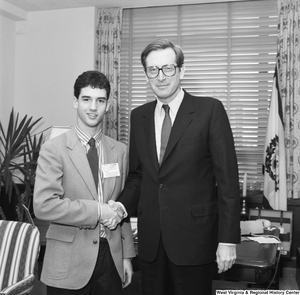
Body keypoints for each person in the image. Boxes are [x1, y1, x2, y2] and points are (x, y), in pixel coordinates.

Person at [109, 39, 241, 295]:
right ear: (146, 74)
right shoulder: (139, 116)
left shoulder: (209, 110)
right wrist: (119, 206)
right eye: (153, 70)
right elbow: (138, 176)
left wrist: (227, 240)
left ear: (181, 70)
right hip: (151, 242)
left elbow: (228, 181)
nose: (160, 76)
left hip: (195, 240)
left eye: (167, 68)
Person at [33, 70, 135, 295]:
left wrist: (127, 256)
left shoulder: (120, 151)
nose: (93, 107)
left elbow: (121, 206)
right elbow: (44, 205)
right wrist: (99, 211)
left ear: (108, 105)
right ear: (75, 102)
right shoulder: (54, 149)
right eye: (86, 99)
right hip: (68, 260)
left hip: (110, 259)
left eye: (100, 101)